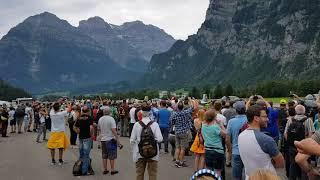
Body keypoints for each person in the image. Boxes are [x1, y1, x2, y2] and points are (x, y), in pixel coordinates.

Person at [238, 105, 284, 179]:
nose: (267, 119)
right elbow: (281, 163)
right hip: (267, 177)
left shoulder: (240, 136)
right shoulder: (266, 139)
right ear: (256, 118)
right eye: (265, 116)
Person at [130, 104, 163, 180]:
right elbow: (160, 139)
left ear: (141, 112)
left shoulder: (136, 125)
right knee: (152, 174)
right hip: (153, 153)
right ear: (150, 112)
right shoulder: (155, 124)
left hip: (139, 152)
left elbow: (132, 140)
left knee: (139, 174)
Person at [226, 101, 247, 180]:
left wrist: (230, 150)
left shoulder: (231, 121)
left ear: (236, 110)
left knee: (236, 177)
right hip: (248, 151)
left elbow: (227, 138)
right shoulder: (249, 120)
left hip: (236, 151)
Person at [201, 109, 226, 177]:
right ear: (214, 117)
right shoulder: (215, 127)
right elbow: (225, 134)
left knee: (209, 170)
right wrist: (221, 124)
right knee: (217, 171)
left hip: (207, 150)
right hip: (217, 150)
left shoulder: (203, 126)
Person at [98, 106, 121, 175]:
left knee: (104, 155)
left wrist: (99, 139)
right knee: (112, 155)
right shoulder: (111, 119)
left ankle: (105, 169)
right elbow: (113, 130)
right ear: (110, 112)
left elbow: (99, 129)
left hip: (103, 139)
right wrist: (117, 139)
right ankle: (112, 169)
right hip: (110, 139)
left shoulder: (100, 119)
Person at [170, 100, 193, 168]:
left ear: (177, 107)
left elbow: (171, 122)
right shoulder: (185, 112)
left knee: (177, 147)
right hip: (184, 132)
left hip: (177, 132)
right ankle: (181, 162)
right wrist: (191, 100)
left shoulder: (174, 114)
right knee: (183, 148)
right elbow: (192, 107)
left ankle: (177, 160)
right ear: (183, 107)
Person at [74, 106, 94, 176]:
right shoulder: (90, 118)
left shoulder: (79, 118)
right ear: (88, 111)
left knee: (81, 154)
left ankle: (79, 168)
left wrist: (78, 132)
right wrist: (91, 135)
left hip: (81, 137)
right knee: (86, 155)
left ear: (82, 111)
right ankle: (84, 171)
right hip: (87, 137)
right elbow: (91, 127)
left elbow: (75, 127)